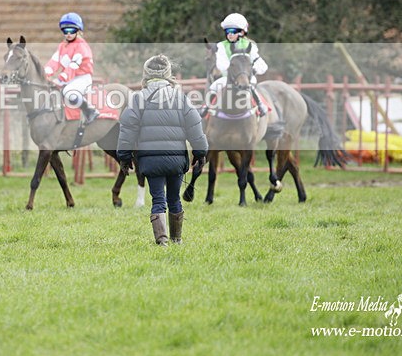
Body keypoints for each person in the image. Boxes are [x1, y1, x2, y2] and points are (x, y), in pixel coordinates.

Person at [117, 55, 208, 246]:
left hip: (151, 160)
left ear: (146, 75)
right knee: (175, 199)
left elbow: (127, 129)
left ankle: (162, 241)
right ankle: (177, 240)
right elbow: (195, 126)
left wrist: (124, 157)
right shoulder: (180, 97)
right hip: (176, 160)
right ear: (168, 74)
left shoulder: (138, 98)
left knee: (158, 199)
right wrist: (200, 152)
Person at [44, 12, 100, 125]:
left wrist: (60, 79)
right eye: (65, 31)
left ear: (78, 31)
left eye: (72, 31)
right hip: (70, 78)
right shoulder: (62, 46)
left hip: (82, 78)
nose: (68, 34)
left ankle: (90, 110)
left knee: (68, 92)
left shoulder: (81, 46)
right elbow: (54, 62)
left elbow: (73, 66)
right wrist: (44, 74)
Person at [209, 12, 269, 116]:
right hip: (228, 78)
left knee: (252, 83)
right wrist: (233, 69)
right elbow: (221, 64)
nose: (230, 34)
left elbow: (261, 64)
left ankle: (260, 105)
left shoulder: (251, 46)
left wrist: (255, 69)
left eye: (233, 31)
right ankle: (206, 108)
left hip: (246, 77)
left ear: (241, 32)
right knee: (215, 85)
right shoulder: (221, 46)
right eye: (227, 31)